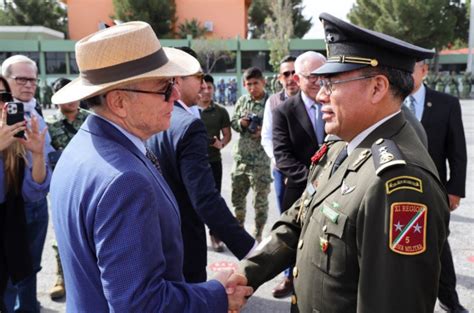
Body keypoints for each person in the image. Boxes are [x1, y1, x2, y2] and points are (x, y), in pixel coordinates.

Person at [238, 13, 450, 313]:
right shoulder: (339, 143)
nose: (320, 94)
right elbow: (300, 219)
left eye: (331, 83)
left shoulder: (396, 184)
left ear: (377, 88)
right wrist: (246, 273)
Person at [50, 22, 251, 312]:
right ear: (119, 102)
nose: (175, 95)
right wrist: (216, 293)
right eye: (164, 88)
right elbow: (141, 304)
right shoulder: (124, 181)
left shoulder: (82, 146)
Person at [147, 47, 255, 283]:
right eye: (197, 77)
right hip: (185, 239)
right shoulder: (188, 125)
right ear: (176, 80)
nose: (203, 84)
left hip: (157, 239)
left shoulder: (151, 116)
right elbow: (204, 198)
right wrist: (249, 249)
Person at [406, 60, 468, 313]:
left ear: (424, 71)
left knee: (440, 246)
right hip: (397, 189)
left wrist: (455, 190)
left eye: (409, 69)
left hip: (436, 191)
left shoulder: (446, 103)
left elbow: (458, 152)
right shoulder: (389, 103)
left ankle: (449, 301)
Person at [268, 51, 326, 298]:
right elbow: (282, 157)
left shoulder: (338, 103)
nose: (316, 81)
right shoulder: (284, 111)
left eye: (320, 75)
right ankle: (291, 278)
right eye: (309, 77)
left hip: (340, 187)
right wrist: (315, 180)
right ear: (298, 79)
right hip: (300, 189)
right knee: (295, 239)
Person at [2, 55, 54, 313]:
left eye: (32, 79)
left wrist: (38, 156)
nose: (28, 85)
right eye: (21, 79)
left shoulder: (36, 112)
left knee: (31, 266)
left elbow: (44, 162)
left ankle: (29, 306)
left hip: (36, 204)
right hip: (10, 209)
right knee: (10, 275)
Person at [45, 77, 88, 300]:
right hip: (62, 187)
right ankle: (62, 276)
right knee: (61, 232)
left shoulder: (91, 120)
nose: (71, 100)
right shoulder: (49, 126)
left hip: (89, 184)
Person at [230, 67, 272, 242]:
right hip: (241, 160)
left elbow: (279, 127)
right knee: (237, 200)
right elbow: (233, 122)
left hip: (261, 162)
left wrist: (264, 132)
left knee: (260, 203)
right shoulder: (242, 101)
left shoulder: (271, 102)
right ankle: (239, 232)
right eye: (249, 84)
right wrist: (242, 123)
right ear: (244, 85)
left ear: (263, 82)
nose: (252, 87)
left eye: (256, 83)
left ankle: (258, 235)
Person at [197, 73, 233, 252]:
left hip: (213, 162)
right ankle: (195, 237)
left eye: (210, 88)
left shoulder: (220, 111)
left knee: (214, 200)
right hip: (194, 163)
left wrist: (221, 144)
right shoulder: (190, 110)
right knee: (192, 200)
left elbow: (227, 134)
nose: (206, 91)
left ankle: (215, 234)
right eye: (203, 88)